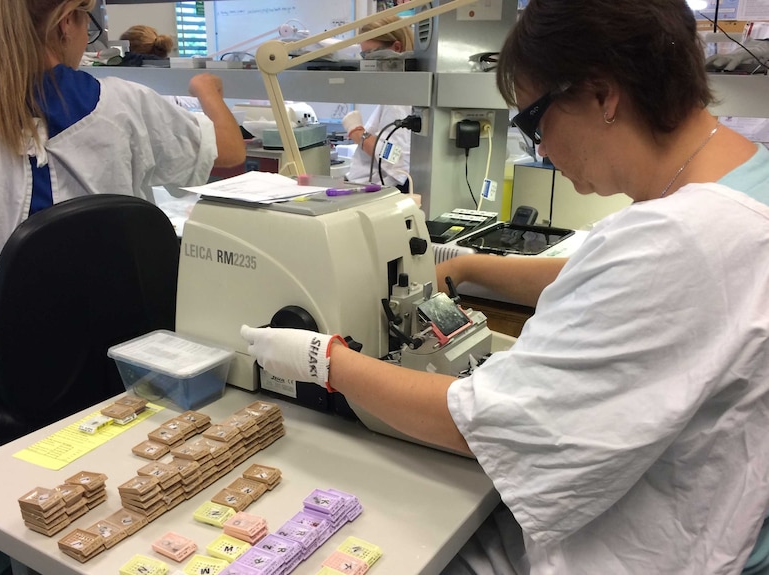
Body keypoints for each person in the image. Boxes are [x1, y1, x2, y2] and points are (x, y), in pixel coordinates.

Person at [241, 0, 769, 573]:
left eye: (532, 120)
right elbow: (615, 277)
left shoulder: (682, 238)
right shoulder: (744, 177)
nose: (539, 148)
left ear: (601, 95)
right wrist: (469, 267)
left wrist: (324, 359)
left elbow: (489, 425)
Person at [0, 1, 244, 573]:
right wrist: (208, 90)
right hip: (121, 358)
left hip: (5, 369)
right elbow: (230, 154)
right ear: (67, 20)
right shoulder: (129, 103)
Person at [342, 15, 414, 191]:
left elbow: (395, 157)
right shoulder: (400, 91)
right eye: (363, 54)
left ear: (396, 48)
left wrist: (357, 132)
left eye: (369, 54)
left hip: (382, 190)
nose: (366, 61)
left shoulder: (399, 98)